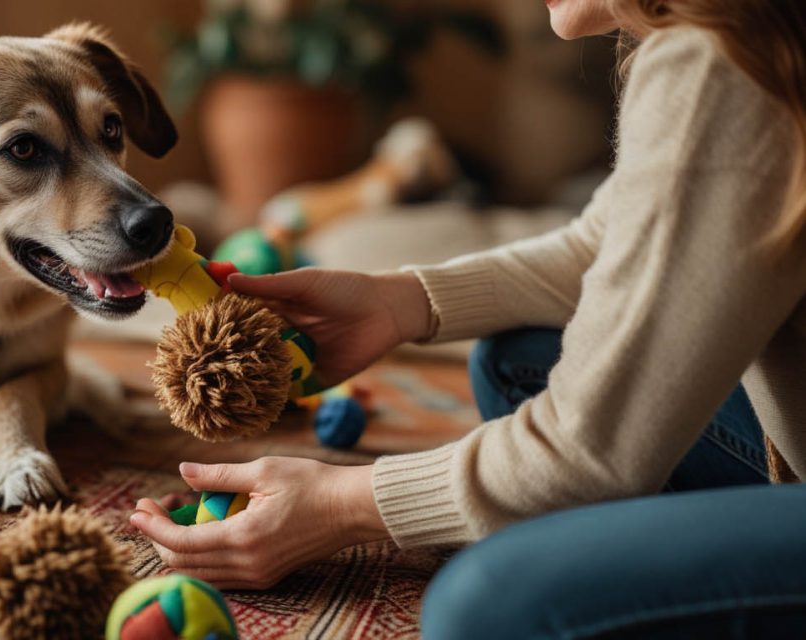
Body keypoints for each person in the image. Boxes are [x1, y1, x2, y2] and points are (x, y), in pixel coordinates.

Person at [131, 0, 806, 636]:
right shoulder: (727, 30)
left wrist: (342, 504)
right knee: (514, 360)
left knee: (483, 606)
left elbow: (588, 453)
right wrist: (398, 302)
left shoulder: (718, 61)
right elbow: (603, 243)